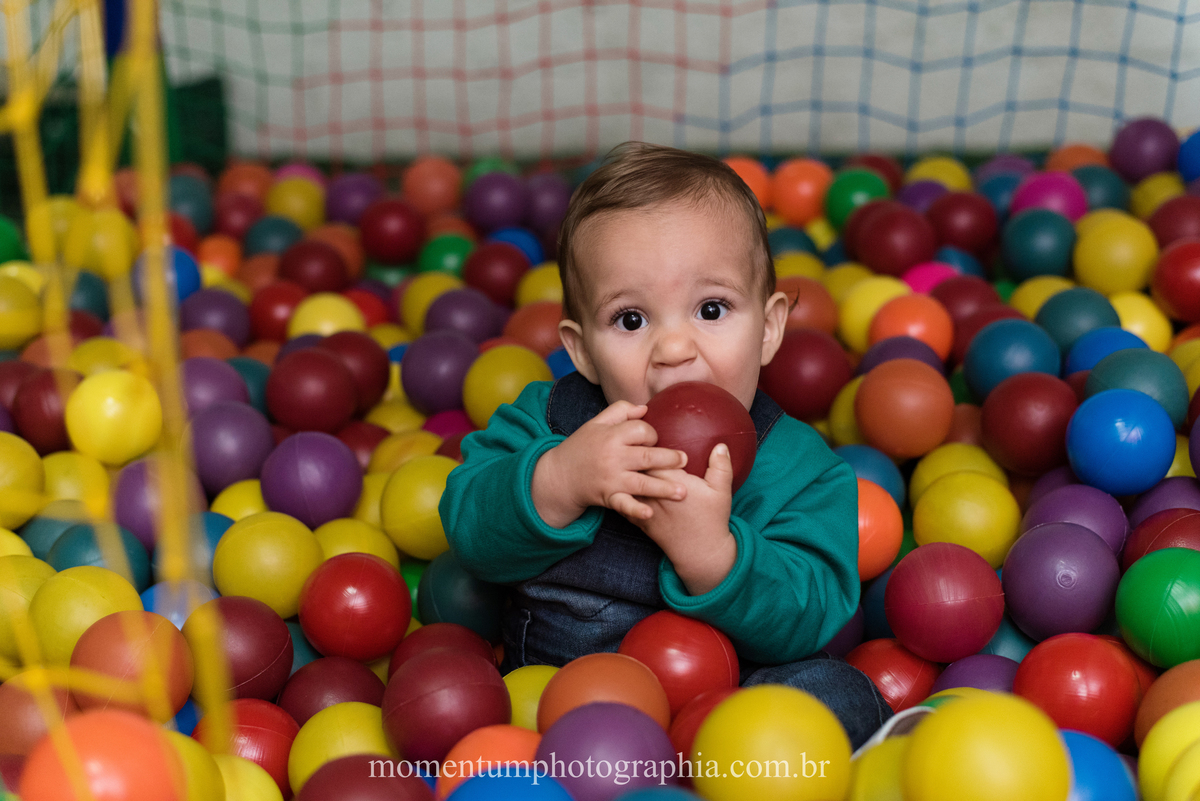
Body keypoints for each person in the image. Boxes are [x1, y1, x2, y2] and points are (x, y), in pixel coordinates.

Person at [440, 142, 891, 748]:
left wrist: (717, 558)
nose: (674, 349)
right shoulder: (550, 422)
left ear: (769, 327)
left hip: (730, 710)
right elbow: (468, 529)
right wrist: (557, 480)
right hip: (568, 702)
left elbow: (812, 616)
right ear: (582, 350)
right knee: (452, 695)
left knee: (843, 693)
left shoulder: (804, 470)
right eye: (631, 320)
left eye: (711, 308)